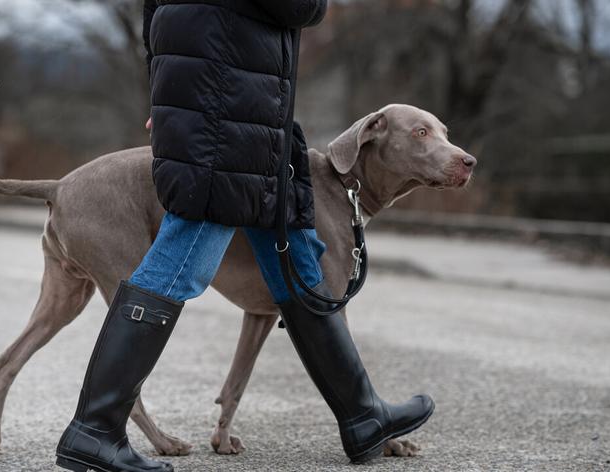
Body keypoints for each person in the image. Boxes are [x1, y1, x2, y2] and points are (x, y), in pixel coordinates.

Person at [54, 1, 434, 471]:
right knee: (182, 256)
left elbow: (155, 10)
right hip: (230, 108)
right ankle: (95, 429)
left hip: (234, 103)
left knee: (297, 257)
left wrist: (165, 88)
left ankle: (362, 415)